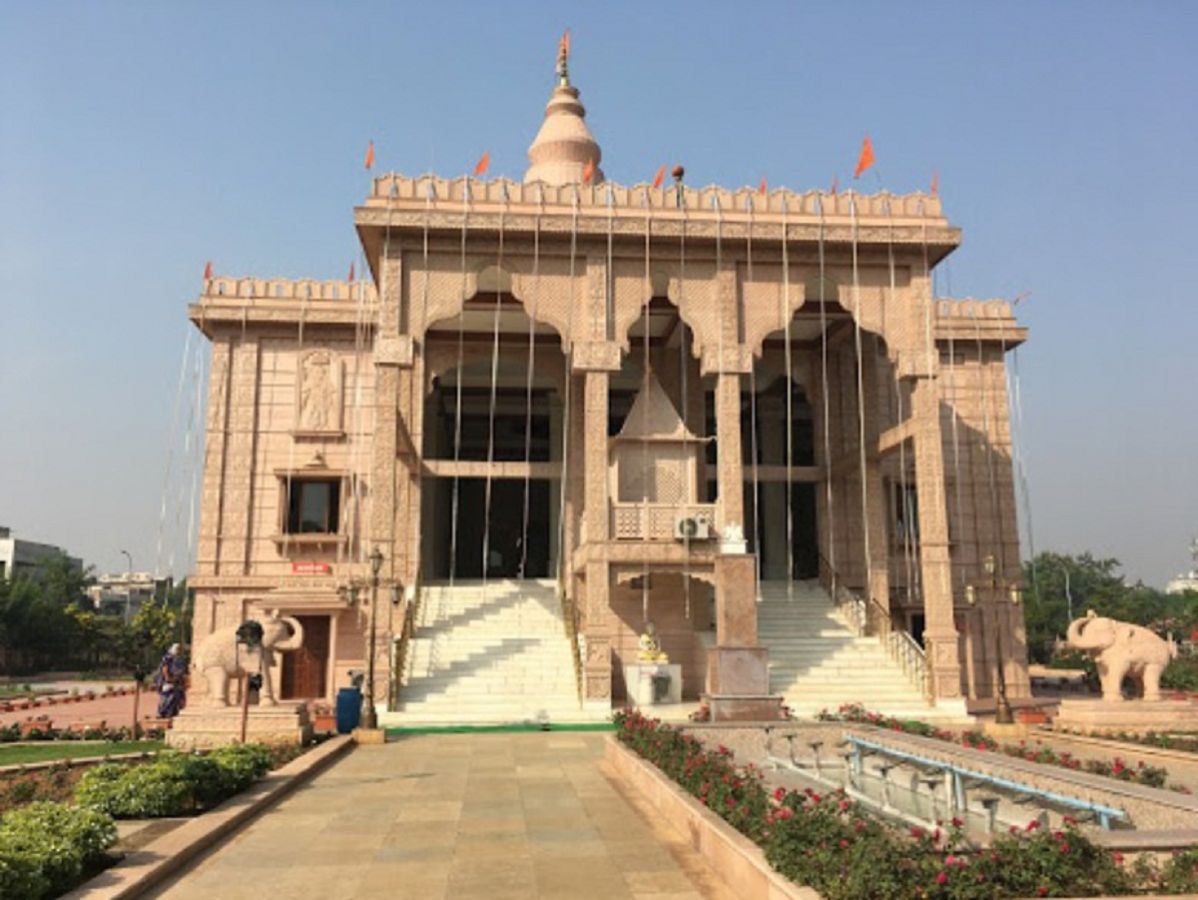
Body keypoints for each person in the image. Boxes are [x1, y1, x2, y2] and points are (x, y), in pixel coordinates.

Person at [155, 642, 188, 718]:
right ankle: (162, 712)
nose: (179, 651)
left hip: (178, 682)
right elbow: (165, 668)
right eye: (177, 649)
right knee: (167, 696)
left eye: (180, 649)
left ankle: (172, 713)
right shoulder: (168, 657)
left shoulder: (180, 659)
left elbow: (184, 672)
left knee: (177, 697)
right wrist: (168, 678)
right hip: (169, 681)